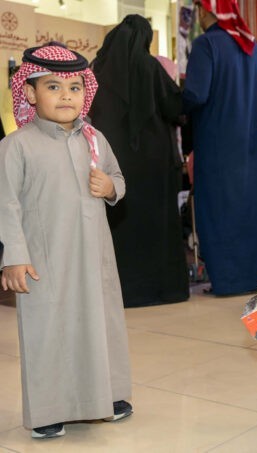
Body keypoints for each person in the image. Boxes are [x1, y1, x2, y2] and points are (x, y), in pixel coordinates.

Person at [0, 44, 132, 439]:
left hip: (93, 256)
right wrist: (13, 257)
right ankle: (48, 408)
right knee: (47, 331)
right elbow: (6, 204)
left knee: (101, 324)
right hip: (44, 261)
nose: (66, 96)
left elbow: (118, 179)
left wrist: (111, 187)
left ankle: (108, 395)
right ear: (29, 93)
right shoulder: (16, 146)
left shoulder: (95, 139)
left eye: (75, 88)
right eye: (53, 87)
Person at [89, 14, 189, 307]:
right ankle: (160, 290)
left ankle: (120, 290)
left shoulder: (99, 69)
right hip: (154, 161)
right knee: (156, 223)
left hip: (114, 160)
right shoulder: (150, 67)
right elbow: (175, 107)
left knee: (119, 222)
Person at [183, 0, 257, 295]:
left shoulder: (205, 44)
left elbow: (196, 94)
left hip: (216, 145)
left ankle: (227, 280)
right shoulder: (251, 46)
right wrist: (249, 122)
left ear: (205, 10)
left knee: (218, 211)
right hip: (250, 147)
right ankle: (255, 277)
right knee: (251, 210)